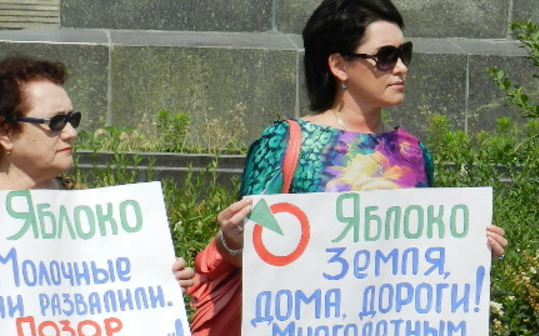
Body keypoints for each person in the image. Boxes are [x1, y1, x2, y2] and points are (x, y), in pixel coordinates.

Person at [187, 0, 509, 335]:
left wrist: (473, 246)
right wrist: (232, 240)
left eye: (404, 53)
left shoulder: (414, 153)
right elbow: (257, 262)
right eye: (385, 56)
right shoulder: (286, 141)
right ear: (339, 65)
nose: (401, 67)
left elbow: (422, 264)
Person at [0, 57, 195, 336]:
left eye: (72, 119)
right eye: (56, 122)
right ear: (5, 132)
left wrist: (160, 282)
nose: (71, 133)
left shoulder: (92, 207)